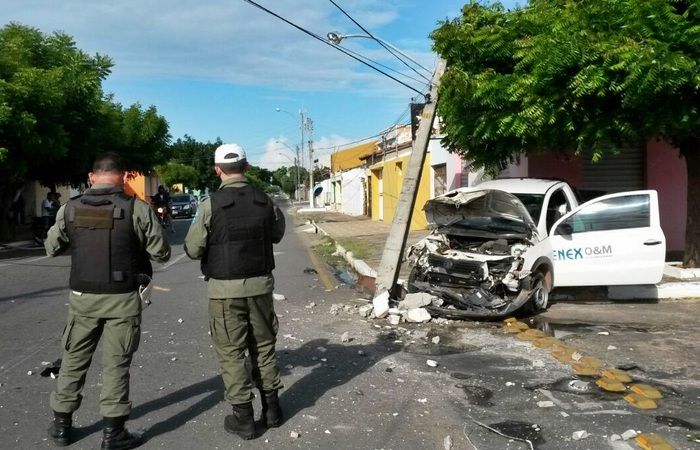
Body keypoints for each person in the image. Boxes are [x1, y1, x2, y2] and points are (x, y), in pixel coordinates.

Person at [45, 153, 171, 449]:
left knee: (74, 361)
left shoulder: (69, 208)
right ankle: (113, 434)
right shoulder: (137, 208)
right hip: (123, 299)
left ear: (91, 177)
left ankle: (62, 427)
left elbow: (52, 248)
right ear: (125, 176)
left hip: (82, 300)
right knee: (116, 365)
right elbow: (162, 253)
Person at [184, 143, 285, 440]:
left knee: (231, 352)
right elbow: (277, 234)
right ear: (247, 167)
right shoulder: (265, 200)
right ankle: (273, 410)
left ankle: (243, 418)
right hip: (260, 287)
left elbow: (192, 248)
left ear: (217, 170)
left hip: (224, 291)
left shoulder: (209, 204)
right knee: (263, 346)